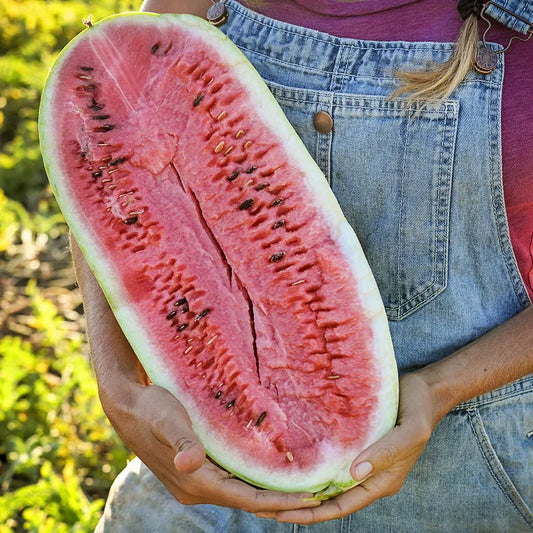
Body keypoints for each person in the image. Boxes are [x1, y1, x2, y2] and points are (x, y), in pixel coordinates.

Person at [71, 0, 533, 530]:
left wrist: (443, 386)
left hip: (478, 467)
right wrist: (118, 384)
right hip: (213, 471)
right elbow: (106, 163)